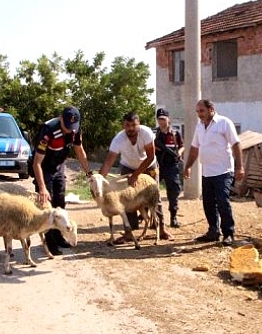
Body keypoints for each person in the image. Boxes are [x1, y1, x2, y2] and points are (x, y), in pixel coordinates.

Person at [99, 111, 173, 243]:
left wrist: (136, 175)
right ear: (124, 125)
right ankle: (129, 232)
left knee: (154, 196)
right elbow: (108, 162)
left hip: (149, 165)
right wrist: (98, 181)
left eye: (134, 125)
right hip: (127, 167)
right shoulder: (118, 139)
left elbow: (150, 156)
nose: (131, 128)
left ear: (139, 124)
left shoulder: (146, 133)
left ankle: (162, 229)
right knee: (125, 197)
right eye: (127, 125)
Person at [183, 99, 245, 246]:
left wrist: (239, 167)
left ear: (211, 109)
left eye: (202, 111)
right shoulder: (199, 127)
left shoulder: (224, 123)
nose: (199, 114)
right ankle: (213, 231)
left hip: (223, 171)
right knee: (208, 203)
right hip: (207, 172)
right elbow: (194, 148)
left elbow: (236, 144)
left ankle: (228, 233)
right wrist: (188, 166)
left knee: (223, 202)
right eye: (197, 112)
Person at [32, 106, 91, 256]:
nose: (69, 130)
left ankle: (58, 238)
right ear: (60, 118)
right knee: (48, 207)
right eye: (67, 126)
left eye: (72, 127)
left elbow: (80, 151)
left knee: (60, 203)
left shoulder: (75, 131)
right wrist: (42, 187)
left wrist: (88, 173)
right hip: (44, 168)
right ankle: (50, 243)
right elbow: (36, 162)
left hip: (58, 167)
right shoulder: (48, 130)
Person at [154, 108, 184, 228]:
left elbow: (182, 146)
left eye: (163, 119)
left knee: (174, 190)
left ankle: (173, 217)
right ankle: (152, 217)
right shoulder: (154, 133)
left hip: (171, 165)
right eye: (159, 119)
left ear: (168, 119)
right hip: (157, 166)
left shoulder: (175, 133)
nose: (161, 121)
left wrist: (179, 153)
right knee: (151, 190)